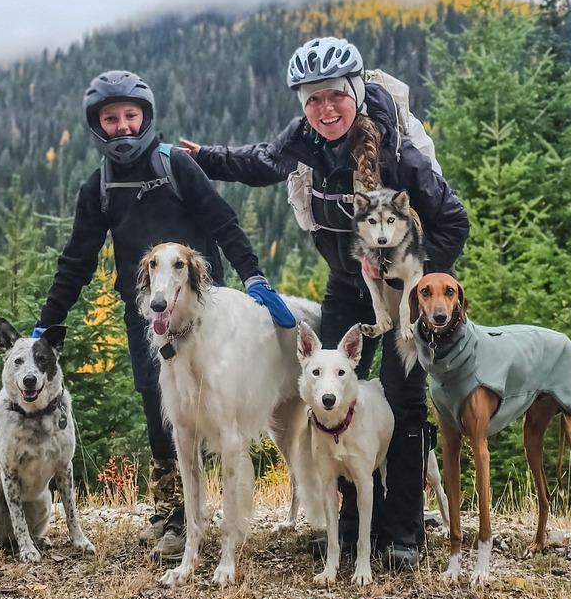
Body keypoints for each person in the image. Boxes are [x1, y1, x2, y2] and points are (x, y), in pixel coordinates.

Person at [179, 36, 469, 568]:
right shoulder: (306, 138)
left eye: (334, 95)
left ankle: (403, 531)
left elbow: (454, 223)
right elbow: (264, 161)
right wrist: (204, 159)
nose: (324, 108)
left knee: (403, 403)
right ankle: (352, 527)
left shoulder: (399, 155)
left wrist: (406, 269)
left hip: (404, 288)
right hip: (345, 280)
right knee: (330, 390)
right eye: (311, 99)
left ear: (355, 90)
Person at [35, 70, 294, 559]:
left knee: (215, 399)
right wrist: (49, 321)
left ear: (146, 117)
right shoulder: (101, 188)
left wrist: (254, 276)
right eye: (110, 119)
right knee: (157, 402)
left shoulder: (176, 166)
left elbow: (223, 221)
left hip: (203, 310)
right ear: (97, 125)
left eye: (131, 116)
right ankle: (174, 512)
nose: (123, 127)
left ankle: (222, 509)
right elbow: (77, 259)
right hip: (146, 312)